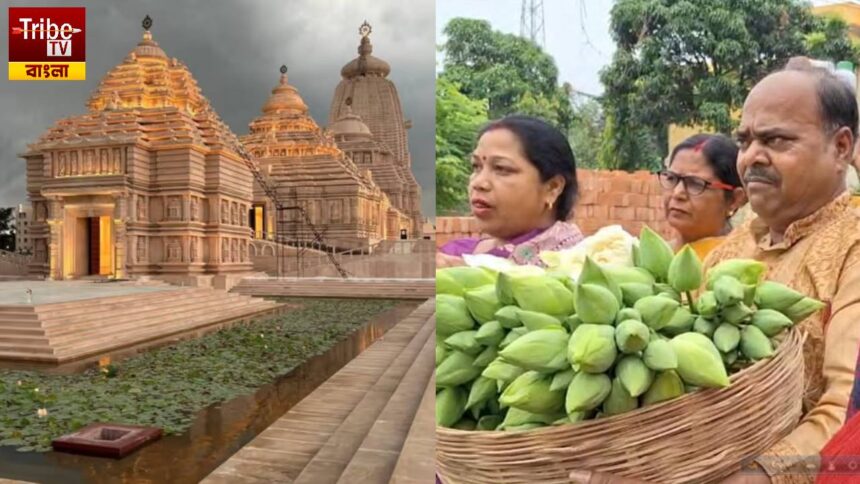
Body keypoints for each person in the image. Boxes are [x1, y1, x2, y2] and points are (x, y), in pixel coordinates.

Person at [573, 64, 860, 484]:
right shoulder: (727, 252)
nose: (752, 156)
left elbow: (846, 410)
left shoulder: (852, 246)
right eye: (745, 140)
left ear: (840, 147)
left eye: (776, 140)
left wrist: (760, 475)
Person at [437, 115, 584, 267]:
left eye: (501, 168)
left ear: (553, 187)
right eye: (476, 166)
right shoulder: (454, 254)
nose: (478, 183)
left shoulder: (577, 270)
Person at [660, 133, 747, 260]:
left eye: (695, 183)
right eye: (671, 178)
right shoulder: (648, 259)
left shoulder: (742, 265)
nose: (677, 193)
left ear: (734, 199)